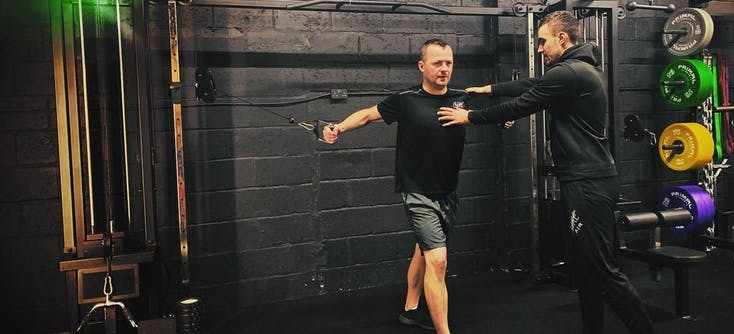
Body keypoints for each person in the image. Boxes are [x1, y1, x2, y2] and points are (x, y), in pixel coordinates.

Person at [436, 10, 656, 334]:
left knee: (602, 270)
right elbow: (532, 84)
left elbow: (522, 104)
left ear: (562, 38)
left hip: (587, 183)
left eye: (542, 42)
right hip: (588, 179)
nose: (540, 48)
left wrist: (471, 117)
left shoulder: (567, 73)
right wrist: (486, 89)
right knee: (586, 270)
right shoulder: (581, 69)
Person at [323, 38, 511, 334]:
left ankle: (411, 309)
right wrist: (339, 128)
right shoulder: (406, 100)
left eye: (449, 62)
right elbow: (368, 115)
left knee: (423, 252)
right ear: (422, 66)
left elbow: (485, 115)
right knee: (438, 260)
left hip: (448, 191)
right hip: (417, 191)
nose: (444, 68)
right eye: (437, 63)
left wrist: (502, 121)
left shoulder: (461, 98)